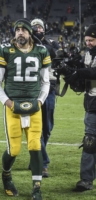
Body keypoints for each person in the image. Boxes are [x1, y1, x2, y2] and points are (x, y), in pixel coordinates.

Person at [0, 18, 51, 200]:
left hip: (34, 105)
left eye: (23, 30)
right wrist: (7, 102)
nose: (20, 33)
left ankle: (37, 187)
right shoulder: (5, 51)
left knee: (35, 146)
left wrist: (40, 101)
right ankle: (6, 175)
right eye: (17, 30)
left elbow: (46, 82)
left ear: (30, 33)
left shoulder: (41, 51)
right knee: (14, 150)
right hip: (13, 105)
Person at [64, 24, 96, 191]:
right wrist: (69, 71)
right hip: (92, 105)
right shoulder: (88, 55)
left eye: (91, 40)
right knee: (90, 141)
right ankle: (86, 180)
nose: (88, 43)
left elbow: (93, 72)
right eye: (86, 40)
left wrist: (78, 72)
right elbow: (84, 80)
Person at [28, 18, 59, 177]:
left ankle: (36, 154)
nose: (38, 29)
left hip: (50, 88)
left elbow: (53, 53)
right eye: (34, 27)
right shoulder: (27, 44)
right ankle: (42, 162)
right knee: (35, 127)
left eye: (40, 26)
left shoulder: (51, 43)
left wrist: (38, 43)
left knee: (47, 128)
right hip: (33, 89)